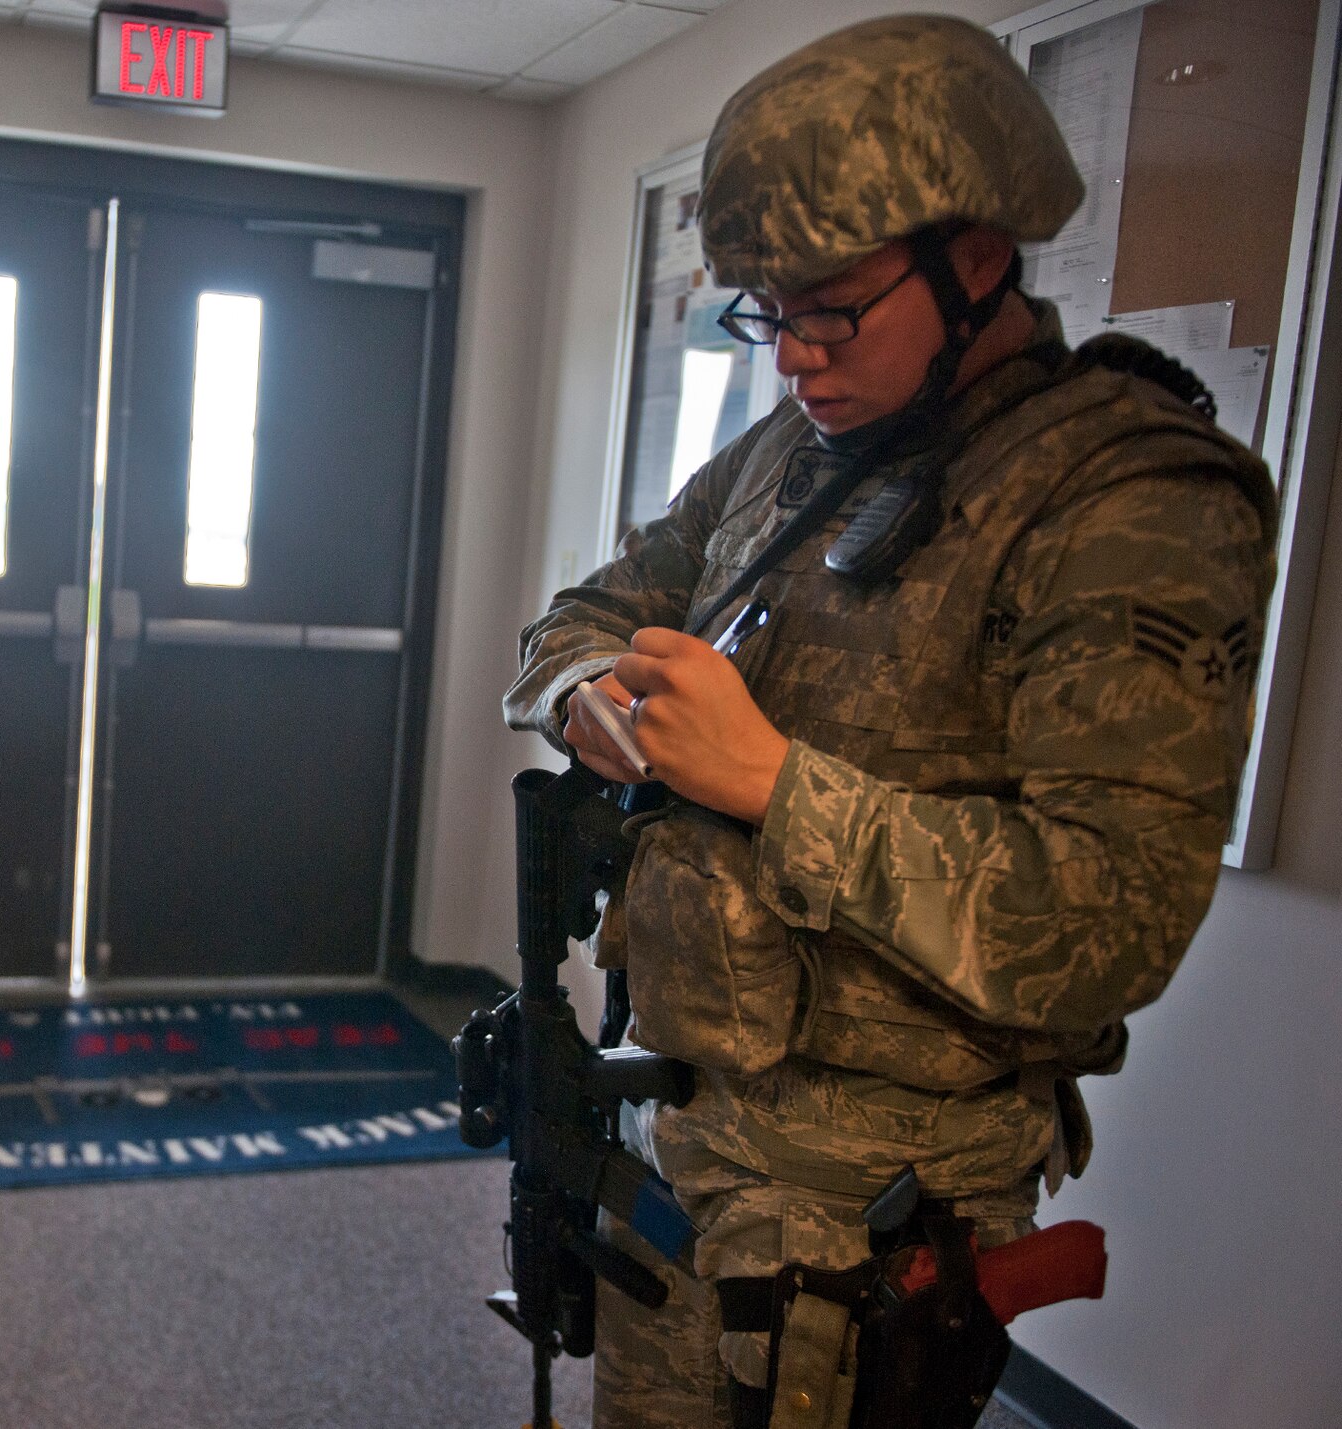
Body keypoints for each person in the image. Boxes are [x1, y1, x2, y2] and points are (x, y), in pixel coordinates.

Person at [504, 15, 1276, 1429]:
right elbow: (579, 617)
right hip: (685, 1130)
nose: (791, 354)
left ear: (976, 259)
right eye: (765, 312)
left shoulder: (1131, 496)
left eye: (832, 307)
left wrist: (774, 783)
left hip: (868, 1213)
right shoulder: (794, 449)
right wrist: (589, 701)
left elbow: (1109, 919)